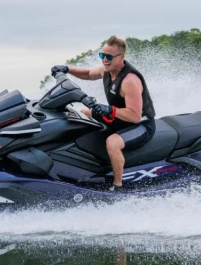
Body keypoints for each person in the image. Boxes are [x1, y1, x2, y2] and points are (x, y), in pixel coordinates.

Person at [51, 35, 156, 191]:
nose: (104, 60)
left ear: (121, 57)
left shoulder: (130, 81)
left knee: (112, 143)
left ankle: (118, 186)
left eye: (108, 56)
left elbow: (134, 116)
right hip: (119, 120)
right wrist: (67, 69)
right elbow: (88, 73)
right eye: (102, 55)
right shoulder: (107, 70)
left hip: (141, 124)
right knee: (84, 112)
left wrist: (110, 109)